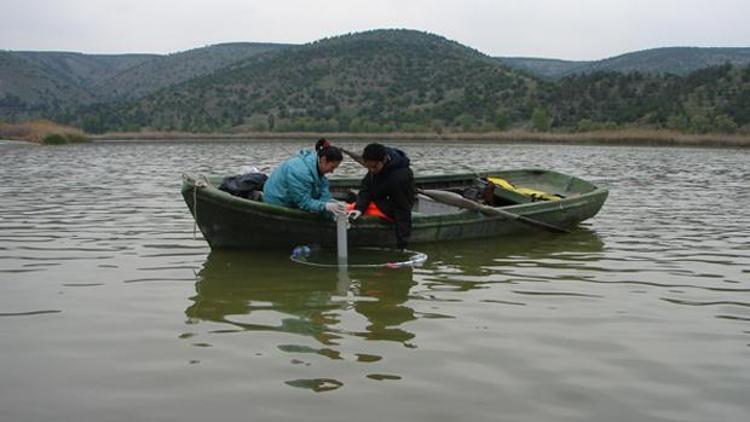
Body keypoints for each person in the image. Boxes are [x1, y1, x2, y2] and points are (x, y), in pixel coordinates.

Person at [348, 143, 415, 249]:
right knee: (351, 209)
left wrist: (402, 244)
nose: (371, 170)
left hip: (395, 207)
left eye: (374, 167)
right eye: (368, 167)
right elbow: (366, 189)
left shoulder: (400, 177)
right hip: (381, 198)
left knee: (352, 209)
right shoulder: (374, 167)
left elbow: (403, 209)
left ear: (384, 160)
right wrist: (359, 208)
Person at [262, 139, 347, 218]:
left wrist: (332, 204)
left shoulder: (321, 174)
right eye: (332, 167)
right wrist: (325, 206)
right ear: (324, 160)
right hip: (277, 204)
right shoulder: (299, 172)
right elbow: (304, 202)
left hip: (294, 201)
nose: (332, 171)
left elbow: (324, 194)